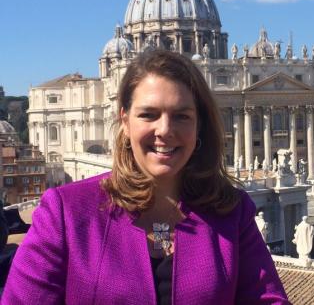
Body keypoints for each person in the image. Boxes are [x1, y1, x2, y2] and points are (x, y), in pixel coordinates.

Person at [2, 50, 289, 304]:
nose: (165, 130)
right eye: (149, 114)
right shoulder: (67, 212)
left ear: (199, 124)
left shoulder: (231, 211)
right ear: (124, 120)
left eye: (181, 115)